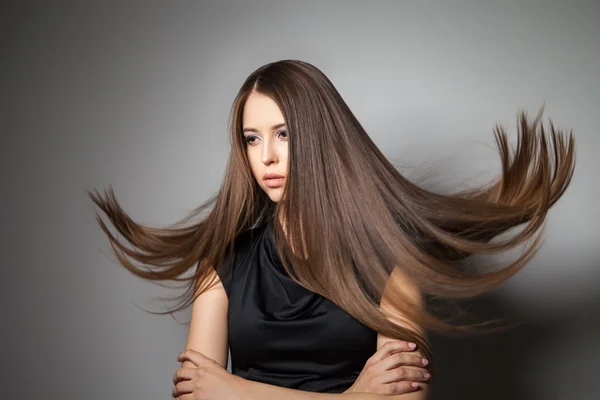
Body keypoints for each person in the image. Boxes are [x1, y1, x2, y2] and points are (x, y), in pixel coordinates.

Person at [88, 59, 576, 399]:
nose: (268, 157)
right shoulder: (221, 260)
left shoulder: (387, 259)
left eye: (284, 134)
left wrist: (235, 391)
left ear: (319, 136)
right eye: (252, 139)